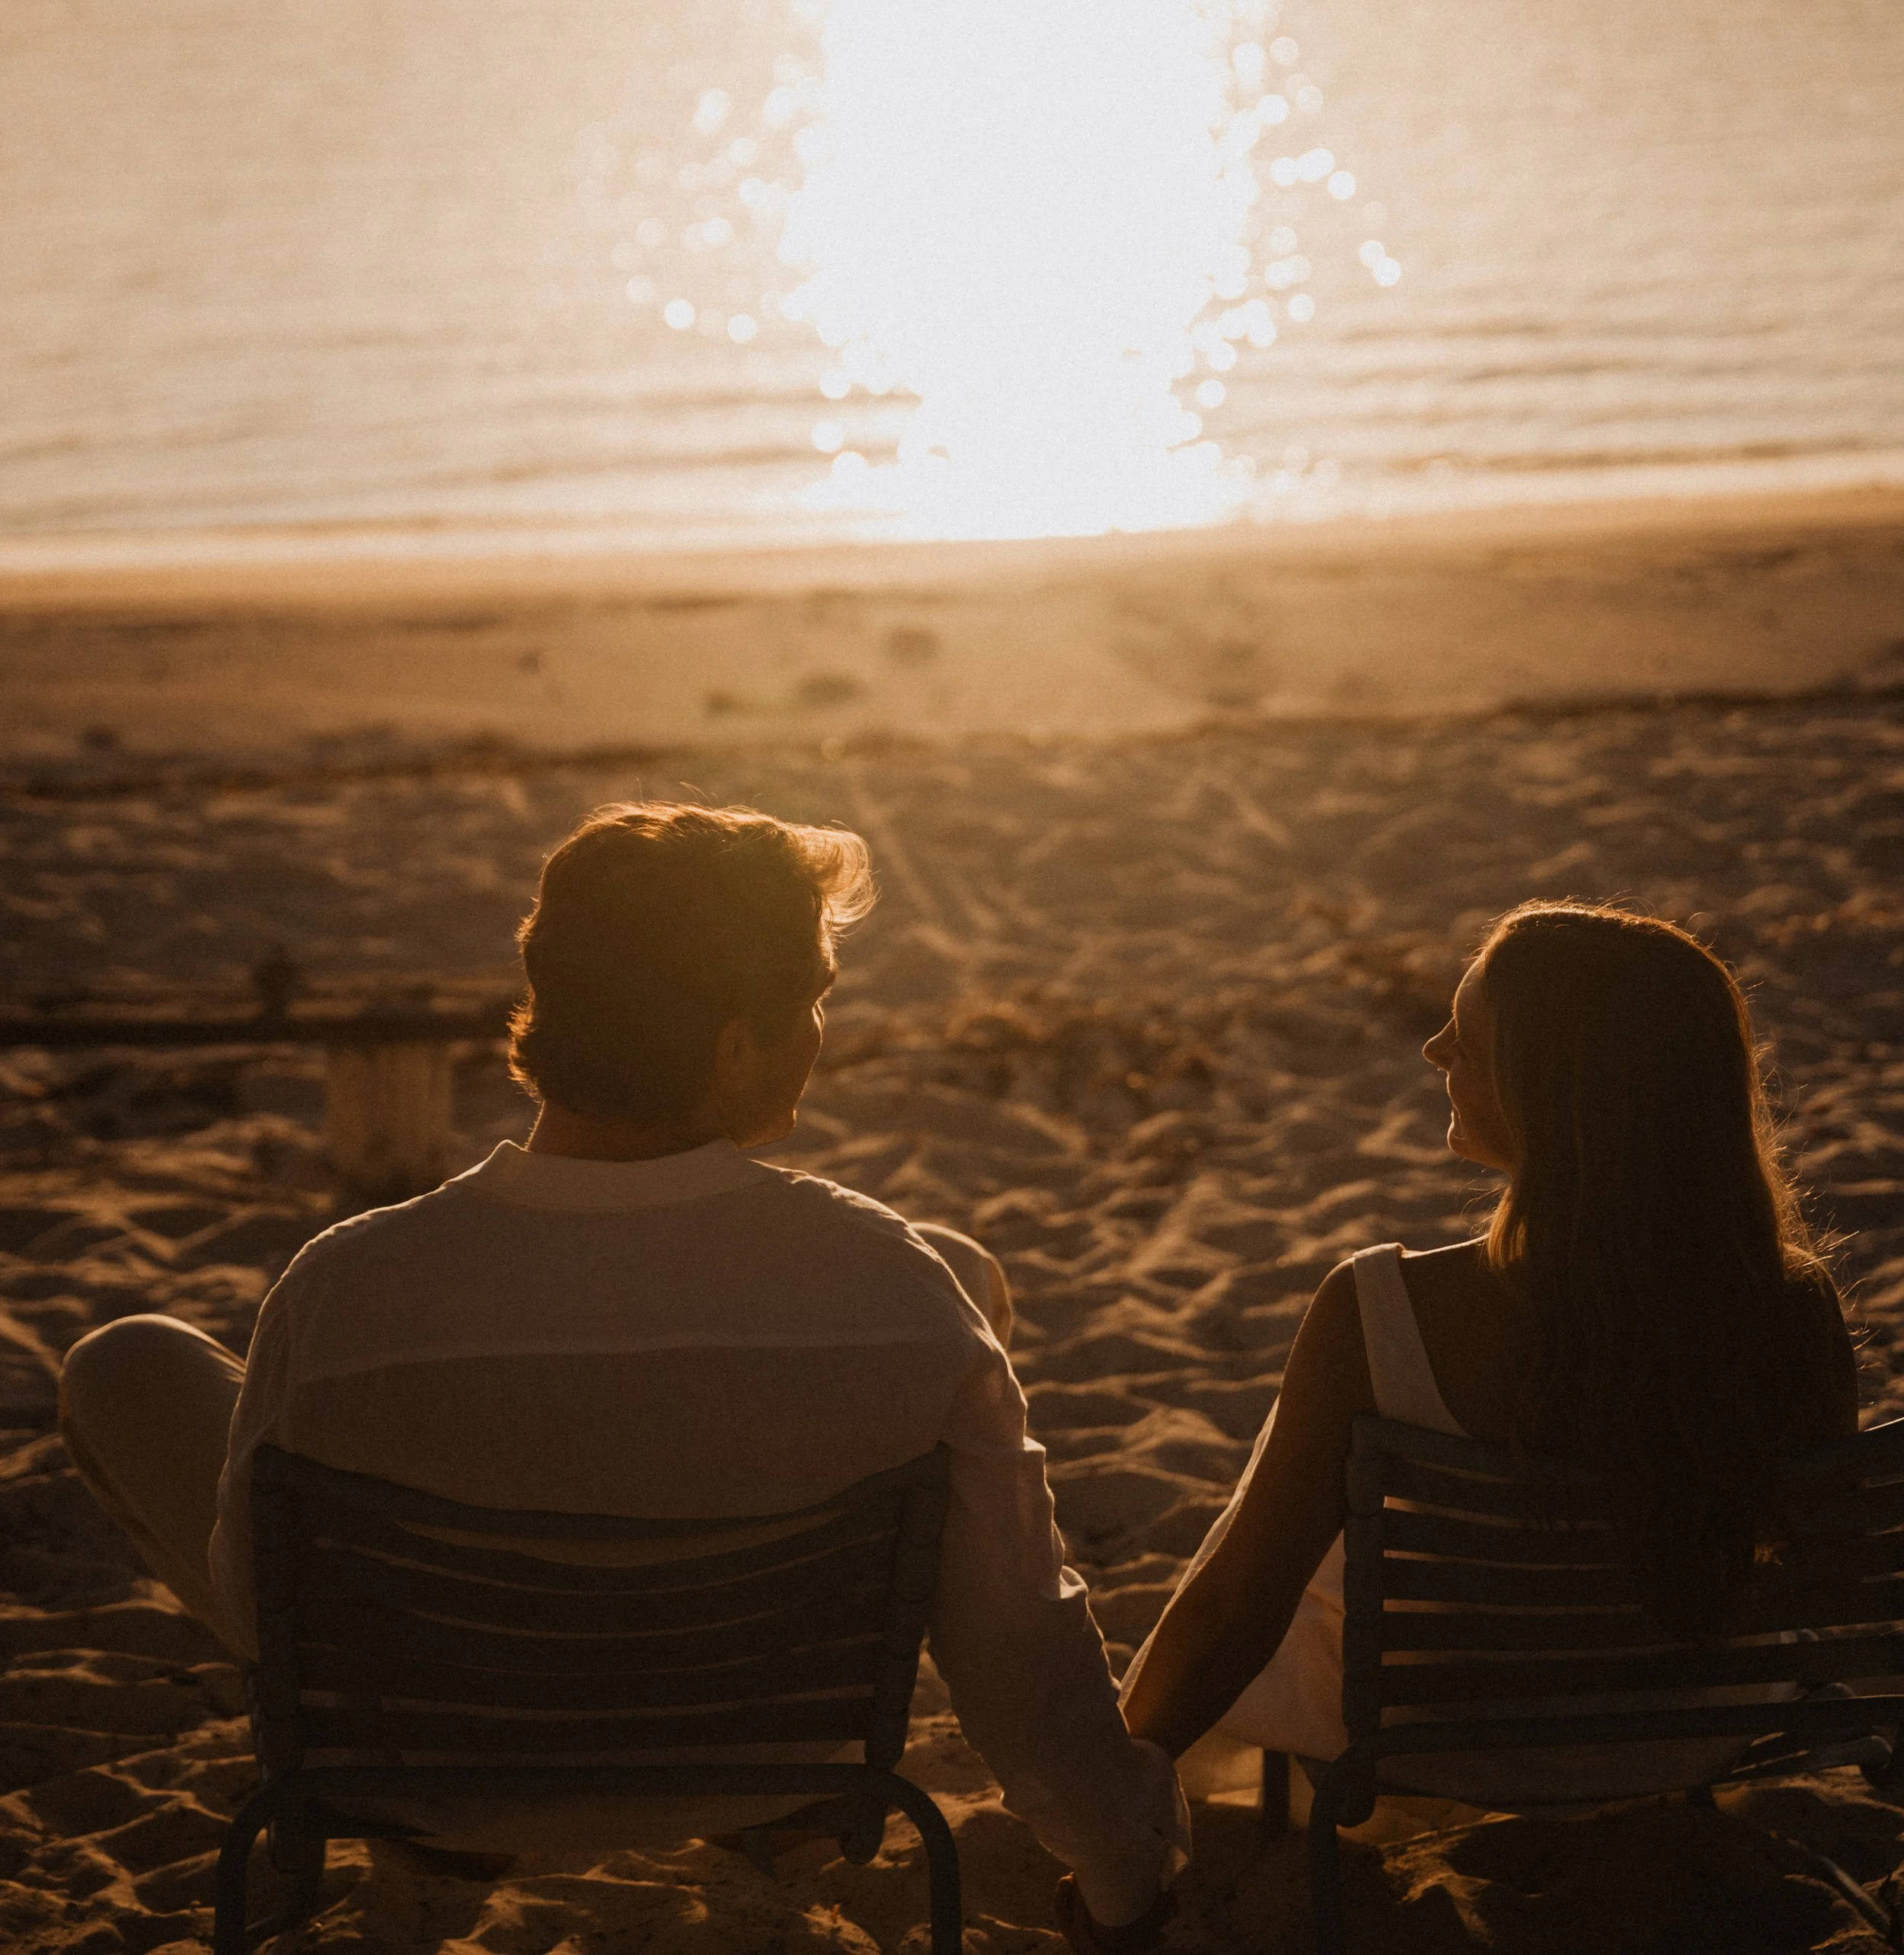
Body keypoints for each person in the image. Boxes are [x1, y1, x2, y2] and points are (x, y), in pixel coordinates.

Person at [59, 801, 1186, 1931]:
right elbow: (1019, 1643)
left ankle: (460, 1835)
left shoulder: (346, 1287)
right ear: (735, 1042)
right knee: (954, 1287)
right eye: (815, 1001)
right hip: (780, 1761)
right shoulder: (892, 1288)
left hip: (431, 1776)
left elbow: (269, 1611)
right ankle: (752, 1809)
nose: (821, 1032)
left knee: (127, 1363)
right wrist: (1122, 1872)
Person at [1121, 900, 1858, 1803]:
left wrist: (1118, 1789)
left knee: (1309, 1556)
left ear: (1548, 1094)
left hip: (1435, 1747)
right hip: (1697, 1737)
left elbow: (1236, 1608)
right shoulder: (1790, 1308)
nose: (1434, 1051)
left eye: (1465, 1036)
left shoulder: (1379, 1311)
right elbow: (1817, 1569)